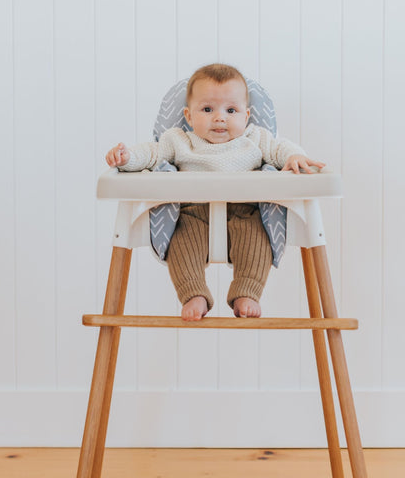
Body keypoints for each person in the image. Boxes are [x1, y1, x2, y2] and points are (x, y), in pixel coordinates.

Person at [105, 63, 324, 321]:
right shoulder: (178, 140)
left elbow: (280, 148)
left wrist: (295, 156)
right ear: (188, 116)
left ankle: (247, 292)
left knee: (257, 240)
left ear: (246, 115)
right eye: (207, 109)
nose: (220, 117)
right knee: (181, 242)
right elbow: (150, 154)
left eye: (231, 110)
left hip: (246, 212)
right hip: (192, 213)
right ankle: (194, 293)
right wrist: (127, 157)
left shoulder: (255, 138)